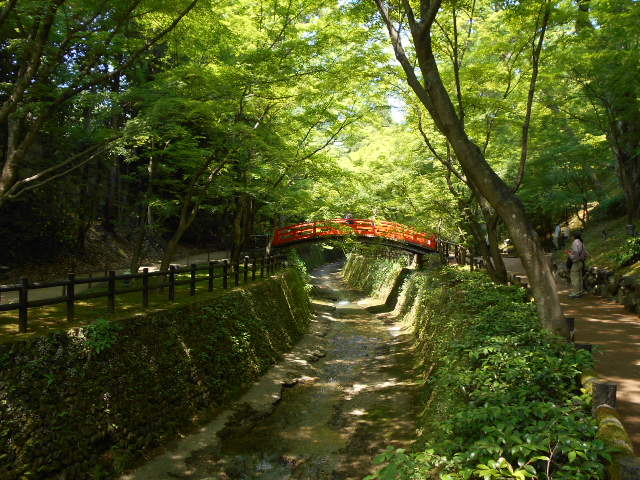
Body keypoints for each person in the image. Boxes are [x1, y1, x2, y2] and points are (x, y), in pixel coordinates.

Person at [567, 231, 588, 297]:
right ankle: (580, 291)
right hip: (581, 262)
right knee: (579, 277)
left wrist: (570, 255)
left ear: (574, 236)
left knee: (574, 277)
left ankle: (575, 293)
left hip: (576, 263)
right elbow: (585, 252)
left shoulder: (575, 242)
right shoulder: (581, 242)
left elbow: (576, 252)